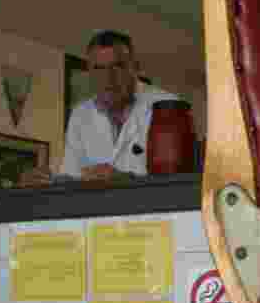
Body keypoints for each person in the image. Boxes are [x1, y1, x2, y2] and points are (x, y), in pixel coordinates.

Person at [19, 30, 182, 186]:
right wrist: (47, 183)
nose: (108, 77)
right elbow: (73, 179)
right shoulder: (80, 115)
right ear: (89, 72)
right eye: (98, 68)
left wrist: (126, 181)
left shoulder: (168, 107)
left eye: (117, 66)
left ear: (135, 67)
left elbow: (178, 184)